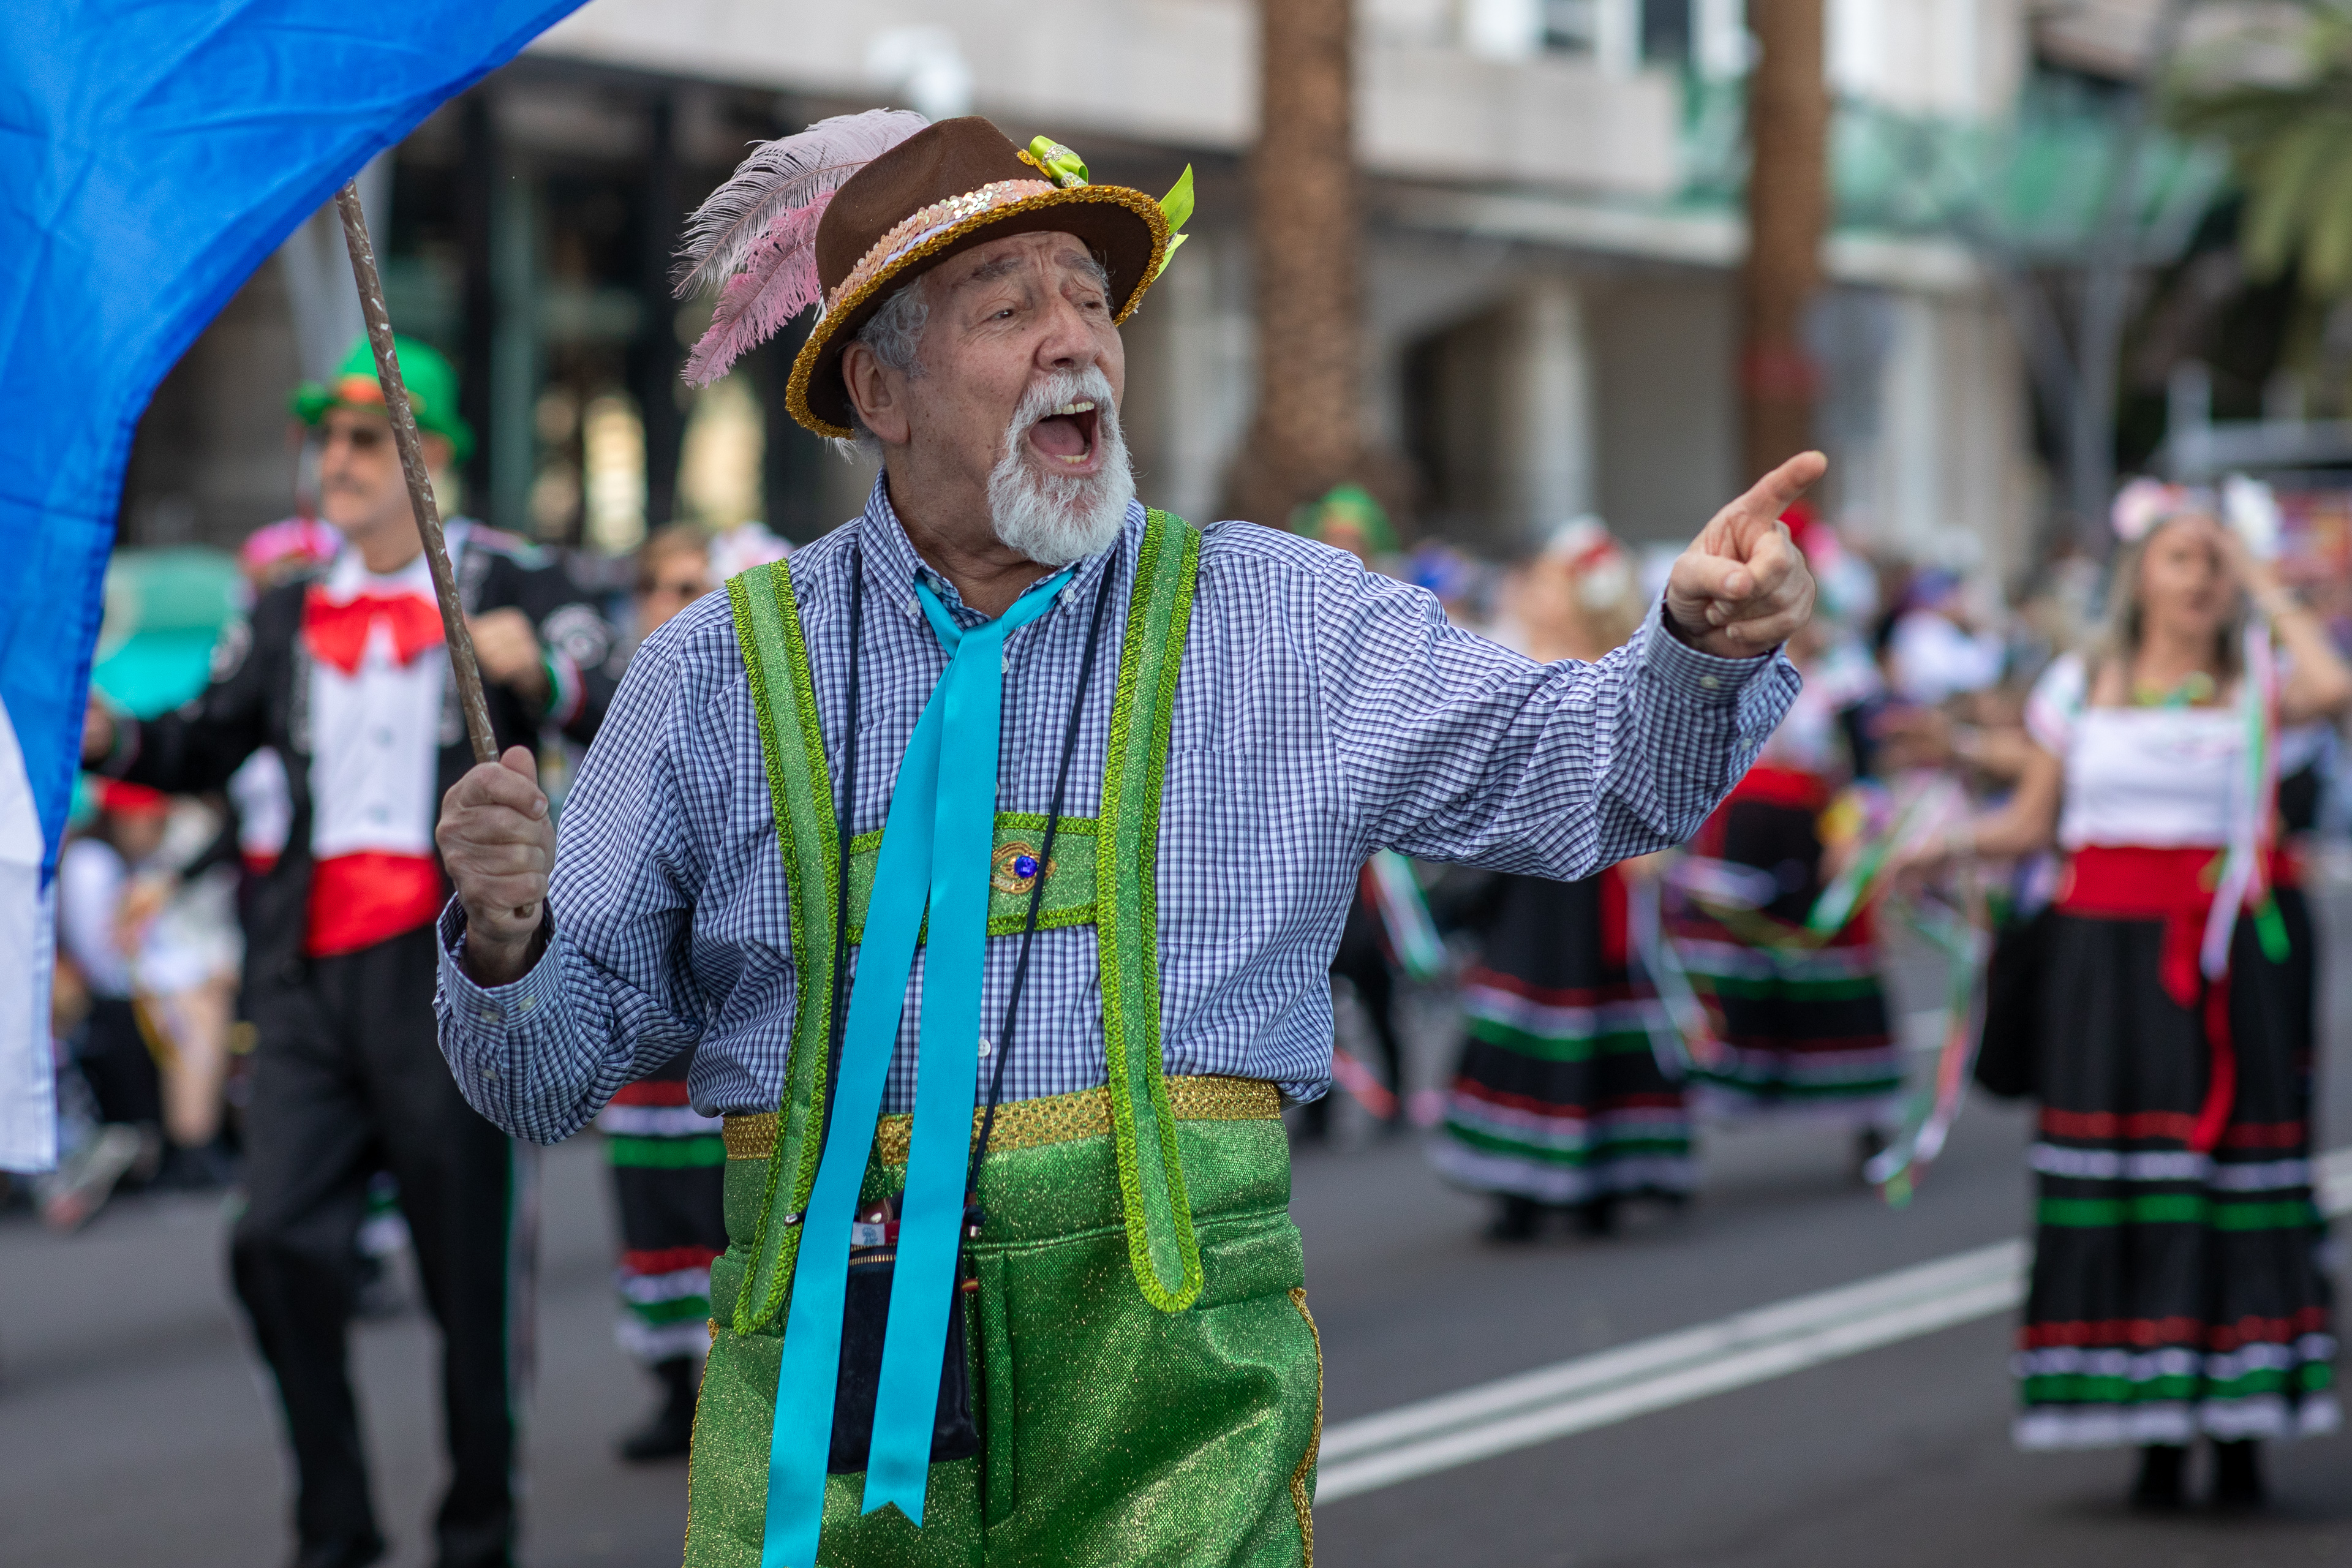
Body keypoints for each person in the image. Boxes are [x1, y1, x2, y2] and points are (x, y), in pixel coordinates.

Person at [432, 112, 1814, 1567]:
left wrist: (1690, 649)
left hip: (1176, 1415)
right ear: (877, 388)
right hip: (817, 1417)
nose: (1072, 338)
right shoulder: (709, 673)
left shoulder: (1284, 617)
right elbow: (538, 1077)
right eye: (1008, 306)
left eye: (1089, 297)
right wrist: (505, 932)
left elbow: (1585, 778)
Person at [83, 334, 616, 1568]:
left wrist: (540, 661)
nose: (338, 459)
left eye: (366, 438)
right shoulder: (284, 605)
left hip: (454, 974)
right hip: (314, 975)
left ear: (431, 455)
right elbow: (199, 745)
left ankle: (477, 1532)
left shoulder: (513, 576)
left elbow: (606, 664)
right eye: (325, 438)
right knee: (273, 1240)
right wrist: (107, 731)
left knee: (469, 1284)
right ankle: (336, 1521)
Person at [1926, 489, 2351, 1508]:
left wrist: (2262, 581)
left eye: (2213, 562)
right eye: (2179, 560)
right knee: (2128, 1178)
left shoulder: (2256, 679)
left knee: (2232, 1182)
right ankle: (2152, 1433)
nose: (2198, 578)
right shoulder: (2081, 686)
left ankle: (2241, 1432)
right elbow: (2032, 826)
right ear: (2140, 579)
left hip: (2230, 965)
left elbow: (2335, 686)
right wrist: (1926, 848)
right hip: (2103, 974)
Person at [1431, 521, 1694, 1238]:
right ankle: (1515, 1183)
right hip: (1524, 874)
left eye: (1549, 579)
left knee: (1593, 1011)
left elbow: (1649, 767)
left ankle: (1598, 1174)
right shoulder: (1504, 655)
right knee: (1520, 1002)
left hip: (1592, 876)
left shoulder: (1614, 667)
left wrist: (1649, 841)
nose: (1534, 590)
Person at [1663, 518, 1903, 1159]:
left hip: (1810, 834)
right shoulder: (1728, 657)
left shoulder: (1842, 671)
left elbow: (1865, 770)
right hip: (1736, 831)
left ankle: (1864, 1111)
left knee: (1824, 963)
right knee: (1725, 967)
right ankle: (1720, 1092)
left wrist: (1851, 837)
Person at [597, 524, 730, 1461]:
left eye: (690, 585)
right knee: (650, 1199)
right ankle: (668, 1385)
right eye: (654, 584)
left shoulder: (749, 704)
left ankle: (736, 1383)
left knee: (726, 1198)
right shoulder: (613, 706)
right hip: (641, 1004)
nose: (667, 601)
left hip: (727, 1006)